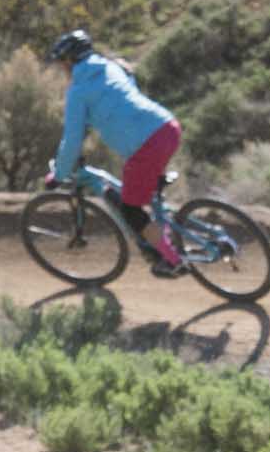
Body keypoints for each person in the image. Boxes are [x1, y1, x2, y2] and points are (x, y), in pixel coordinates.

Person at [44, 28, 184, 274]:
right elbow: (124, 92)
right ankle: (162, 234)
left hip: (146, 145)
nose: (61, 70)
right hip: (167, 126)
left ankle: (173, 260)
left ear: (69, 61)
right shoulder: (111, 67)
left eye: (61, 64)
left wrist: (59, 174)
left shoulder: (78, 92)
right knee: (137, 184)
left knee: (130, 209)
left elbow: (72, 139)